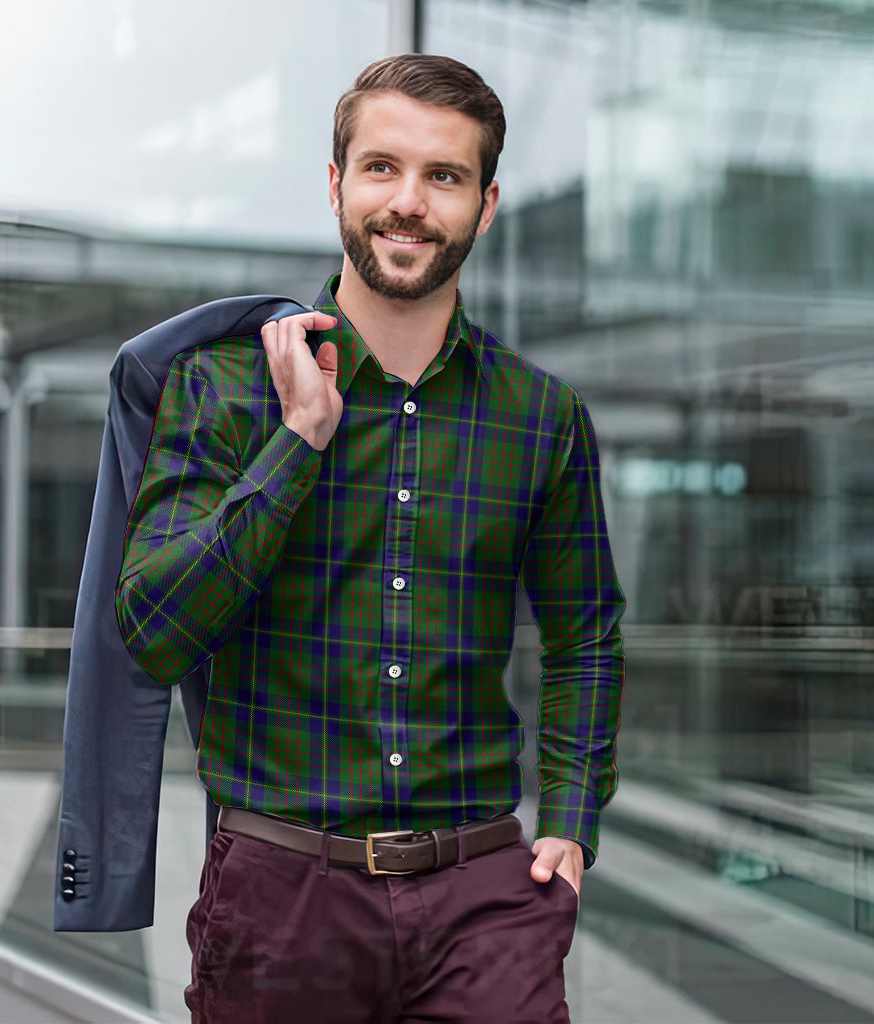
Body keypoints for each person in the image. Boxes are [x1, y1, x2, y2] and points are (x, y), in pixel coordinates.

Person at [115, 53, 625, 1024]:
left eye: (445, 176)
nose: (409, 202)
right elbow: (152, 630)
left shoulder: (539, 416)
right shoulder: (224, 389)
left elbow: (584, 633)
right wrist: (299, 441)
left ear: (486, 203)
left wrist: (568, 818)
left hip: (484, 897)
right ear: (337, 182)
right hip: (282, 896)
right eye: (383, 167)